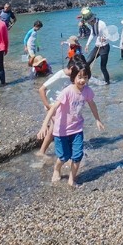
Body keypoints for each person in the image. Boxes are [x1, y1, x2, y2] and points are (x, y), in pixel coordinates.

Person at [36, 56, 104, 186]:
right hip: (61, 130)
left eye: (85, 77)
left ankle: (71, 180)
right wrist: (44, 125)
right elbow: (53, 108)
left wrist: (97, 119)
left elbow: (92, 104)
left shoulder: (87, 91)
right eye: (79, 77)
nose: (82, 80)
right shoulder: (67, 92)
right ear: (73, 77)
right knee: (64, 157)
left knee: (77, 156)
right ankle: (57, 169)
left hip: (77, 129)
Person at [81, 8, 111, 85]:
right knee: (87, 63)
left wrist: (104, 39)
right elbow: (92, 34)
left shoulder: (101, 24)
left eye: (88, 22)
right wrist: (87, 44)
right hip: (97, 46)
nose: (88, 23)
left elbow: (108, 36)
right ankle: (86, 79)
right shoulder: (92, 24)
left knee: (103, 67)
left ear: (91, 20)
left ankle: (107, 83)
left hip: (104, 47)